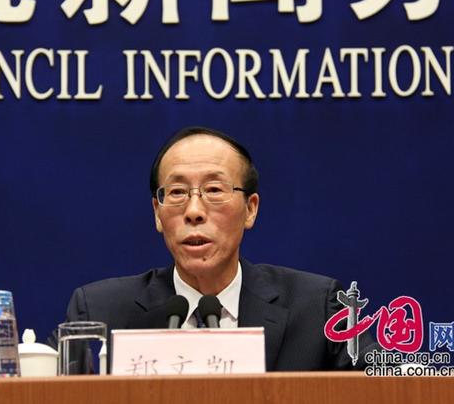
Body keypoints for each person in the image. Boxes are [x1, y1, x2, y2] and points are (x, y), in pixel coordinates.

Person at [61, 126, 379, 371]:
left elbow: (388, 387)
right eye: (177, 192)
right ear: (157, 213)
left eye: (214, 189)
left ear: (250, 209)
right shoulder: (99, 312)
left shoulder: (317, 308)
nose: (194, 211)